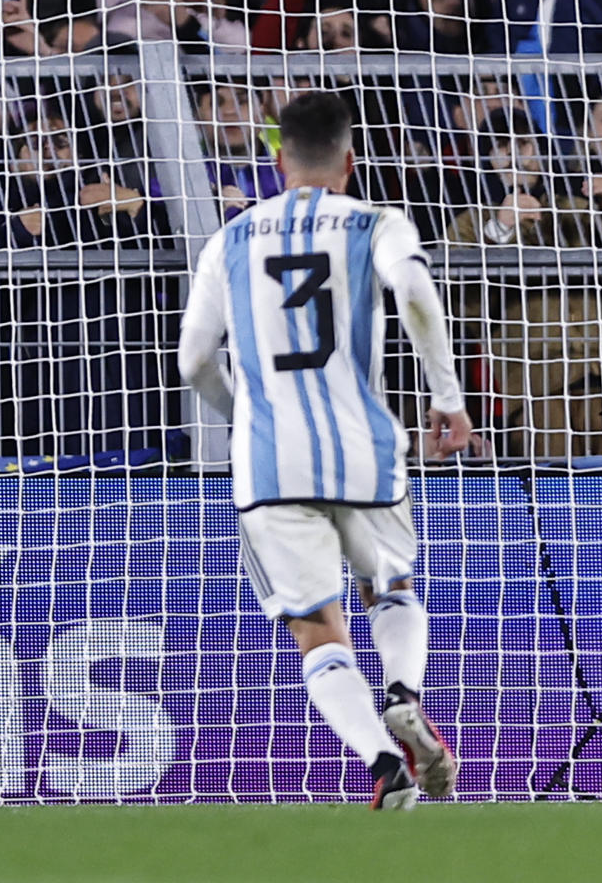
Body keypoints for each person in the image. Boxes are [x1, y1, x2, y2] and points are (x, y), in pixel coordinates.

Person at [176, 91, 473, 810]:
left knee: (317, 627)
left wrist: (245, 416)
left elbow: (191, 361)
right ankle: (404, 692)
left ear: (279, 162)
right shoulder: (377, 222)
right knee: (391, 585)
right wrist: (448, 399)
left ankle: (382, 763)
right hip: (362, 449)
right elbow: (416, 293)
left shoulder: (231, 238)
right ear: (349, 160)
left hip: (270, 463)